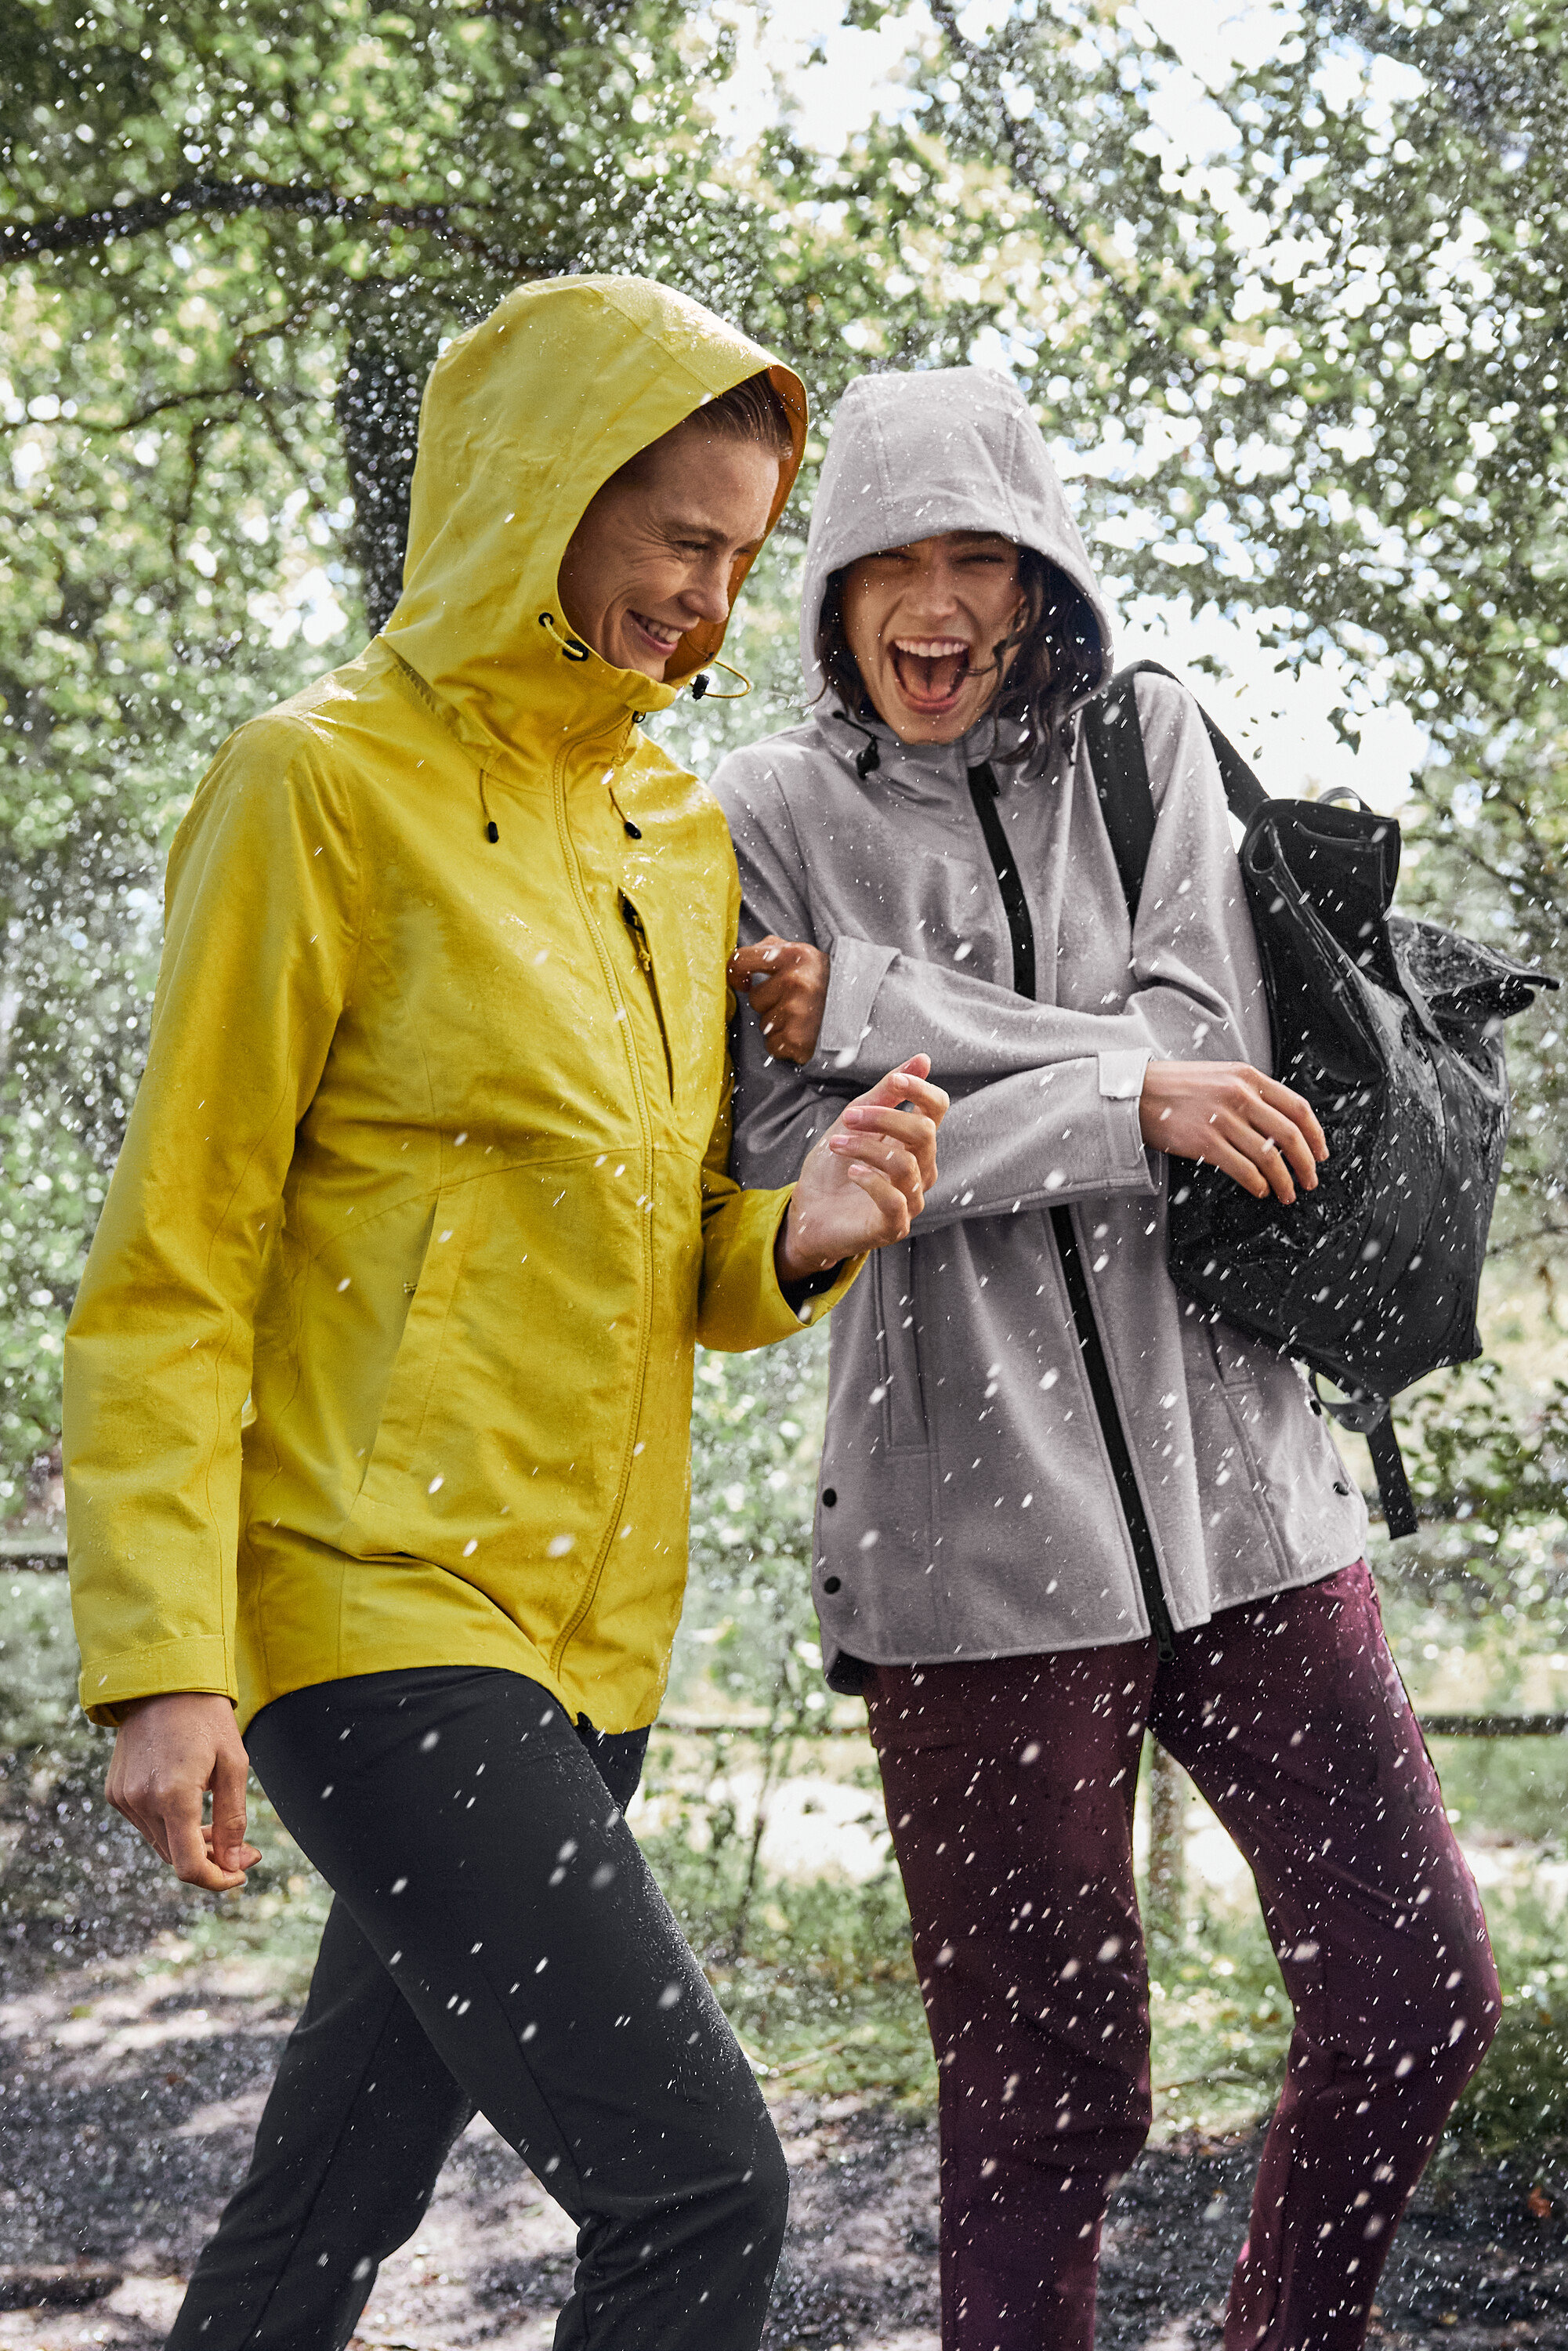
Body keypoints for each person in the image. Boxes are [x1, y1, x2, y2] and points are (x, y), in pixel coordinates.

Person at [61, 277, 947, 2351]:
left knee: (327, 2209)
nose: (713, 603)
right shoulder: (314, 788)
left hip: (584, 1640)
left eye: (742, 556)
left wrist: (796, 1231)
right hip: (372, 1619)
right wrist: (164, 1653)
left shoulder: (672, 834)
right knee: (705, 2194)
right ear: (545, 497)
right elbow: (177, 1250)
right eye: (680, 543)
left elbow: (656, 1267)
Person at [712, 366, 1497, 2351]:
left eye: (977, 552)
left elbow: (1191, 1028)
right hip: (966, 1565)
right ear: (829, 593)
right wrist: (1123, 1101)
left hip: (1251, 1508)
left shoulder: (1147, 747)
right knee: (1044, 2109)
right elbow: (802, 1164)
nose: (935, 597)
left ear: (1040, 576)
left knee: (1419, 1993)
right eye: (890, 559)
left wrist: (879, 1004)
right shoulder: (757, 819)